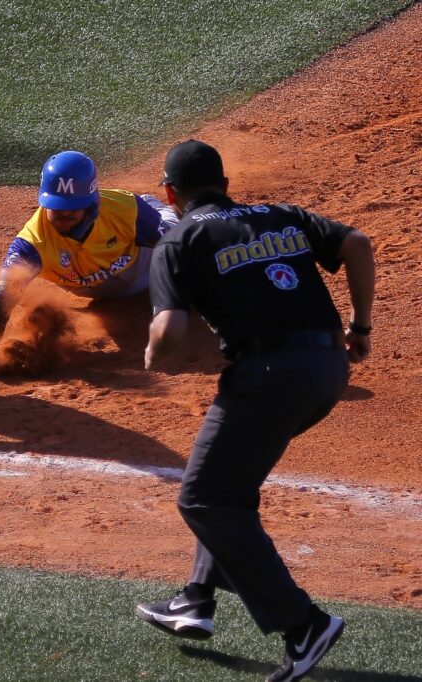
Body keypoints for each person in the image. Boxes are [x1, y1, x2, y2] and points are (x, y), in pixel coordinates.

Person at [135, 140, 374, 682]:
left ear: (170, 192)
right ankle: (196, 598)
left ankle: (303, 624)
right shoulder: (278, 214)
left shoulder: (179, 239)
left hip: (269, 378)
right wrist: (361, 328)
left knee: (201, 497)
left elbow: (169, 331)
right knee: (228, 488)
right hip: (328, 371)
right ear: (224, 182)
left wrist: (156, 355)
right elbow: (357, 243)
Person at [0, 150, 178, 352]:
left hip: (144, 268)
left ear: (91, 204)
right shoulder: (31, 245)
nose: (64, 212)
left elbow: (181, 250)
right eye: (57, 207)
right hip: (104, 289)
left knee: (177, 234)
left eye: (72, 207)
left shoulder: (126, 211)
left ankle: (159, 207)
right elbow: (1, 300)